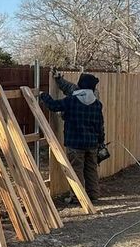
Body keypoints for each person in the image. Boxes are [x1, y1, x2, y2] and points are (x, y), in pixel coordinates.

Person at [39, 72, 106, 203]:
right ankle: (93, 195)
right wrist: (101, 142)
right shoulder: (97, 104)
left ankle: (78, 197)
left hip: (75, 144)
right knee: (91, 170)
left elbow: (54, 106)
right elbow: (100, 126)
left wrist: (43, 96)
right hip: (92, 144)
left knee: (76, 171)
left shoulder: (72, 101)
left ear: (80, 86)